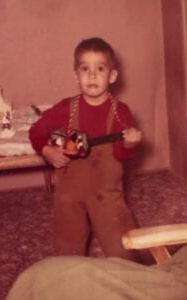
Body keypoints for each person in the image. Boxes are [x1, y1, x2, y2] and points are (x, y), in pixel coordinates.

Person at [29, 37, 142, 261]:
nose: (92, 75)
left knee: (125, 249)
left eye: (100, 68)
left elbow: (122, 155)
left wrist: (129, 144)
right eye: (84, 69)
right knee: (67, 251)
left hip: (106, 194)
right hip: (69, 194)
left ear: (112, 76)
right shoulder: (65, 109)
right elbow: (36, 131)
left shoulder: (120, 112)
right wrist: (46, 150)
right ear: (76, 75)